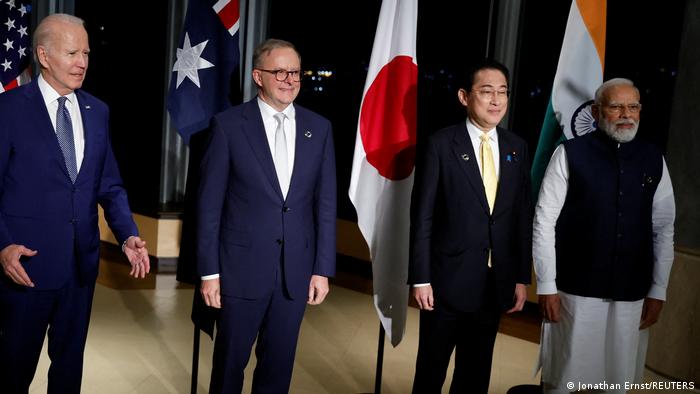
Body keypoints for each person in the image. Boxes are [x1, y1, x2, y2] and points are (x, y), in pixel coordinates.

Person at [0, 14, 150, 393]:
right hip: (25, 269)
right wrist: (2, 245)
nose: (83, 61)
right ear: (44, 56)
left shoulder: (97, 112)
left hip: (80, 270)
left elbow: (110, 185)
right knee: (12, 372)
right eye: (72, 52)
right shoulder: (9, 109)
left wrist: (128, 235)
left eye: (86, 52)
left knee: (68, 373)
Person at [196, 38, 336, 393]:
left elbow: (325, 204)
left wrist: (321, 269)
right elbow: (209, 206)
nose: (289, 79)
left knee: (278, 369)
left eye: (295, 72)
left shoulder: (319, 129)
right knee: (229, 366)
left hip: (295, 272)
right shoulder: (228, 126)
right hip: (239, 271)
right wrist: (210, 273)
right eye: (280, 72)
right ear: (258, 76)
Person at [533, 78, 675, 394]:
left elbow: (664, 229)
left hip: (632, 293)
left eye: (634, 106)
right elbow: (544, 223)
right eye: (616, 106)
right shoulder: (569, 154)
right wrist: (546, 285)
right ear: (597, 111)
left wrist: (658, 289)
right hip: (575, 293)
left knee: (616, 383)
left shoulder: (653, 158)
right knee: (563, 381)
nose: (627, 113)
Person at [409, 59, 533, 393]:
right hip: (446, 281)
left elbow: (522, 216)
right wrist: (421, 278)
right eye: (487, 91)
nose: (497, 101)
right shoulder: (440, 144)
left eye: (503, 92)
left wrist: (522, 276)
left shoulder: (516, 148)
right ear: (465, 97)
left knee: (476, 373)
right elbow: (423, 216)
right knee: (431, 371)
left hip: (494, 284)